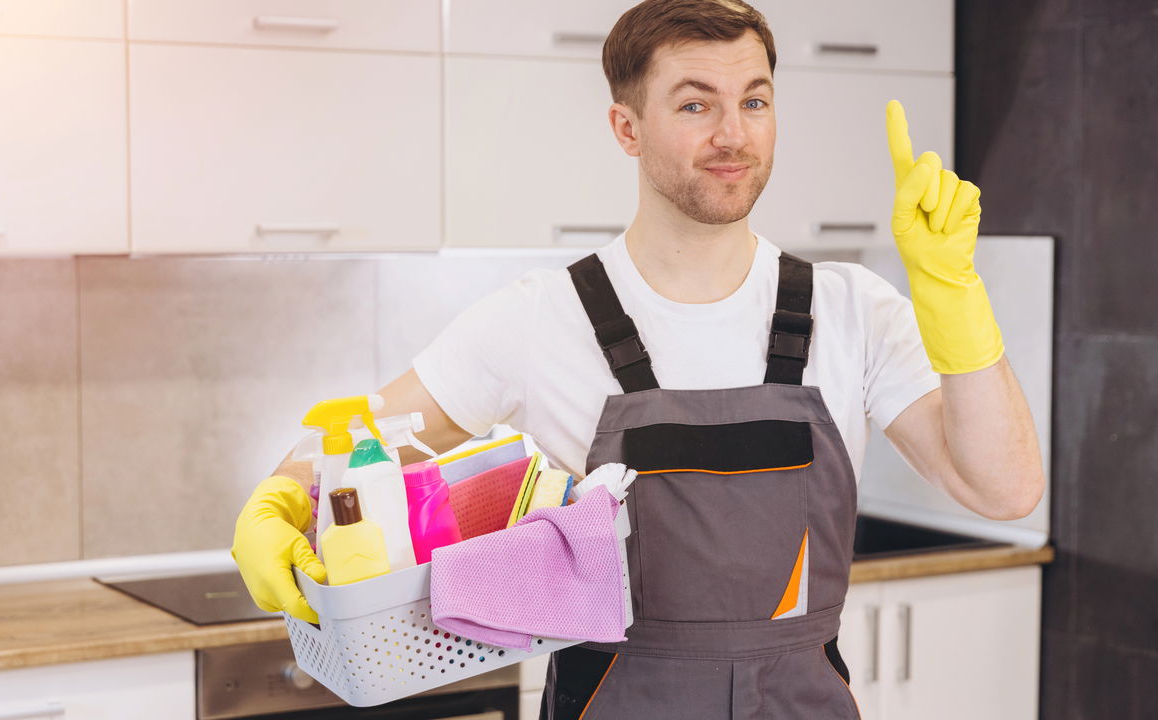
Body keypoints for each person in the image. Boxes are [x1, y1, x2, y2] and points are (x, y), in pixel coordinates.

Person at [231, 0, 1045, 716]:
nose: (734, 134)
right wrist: (276, 501)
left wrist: (953, 294)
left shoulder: (851, 310)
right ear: (627, 127)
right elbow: (349, 449)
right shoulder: (540, 318)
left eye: (754, 100)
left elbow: (1004, 487)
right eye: (696, 104)